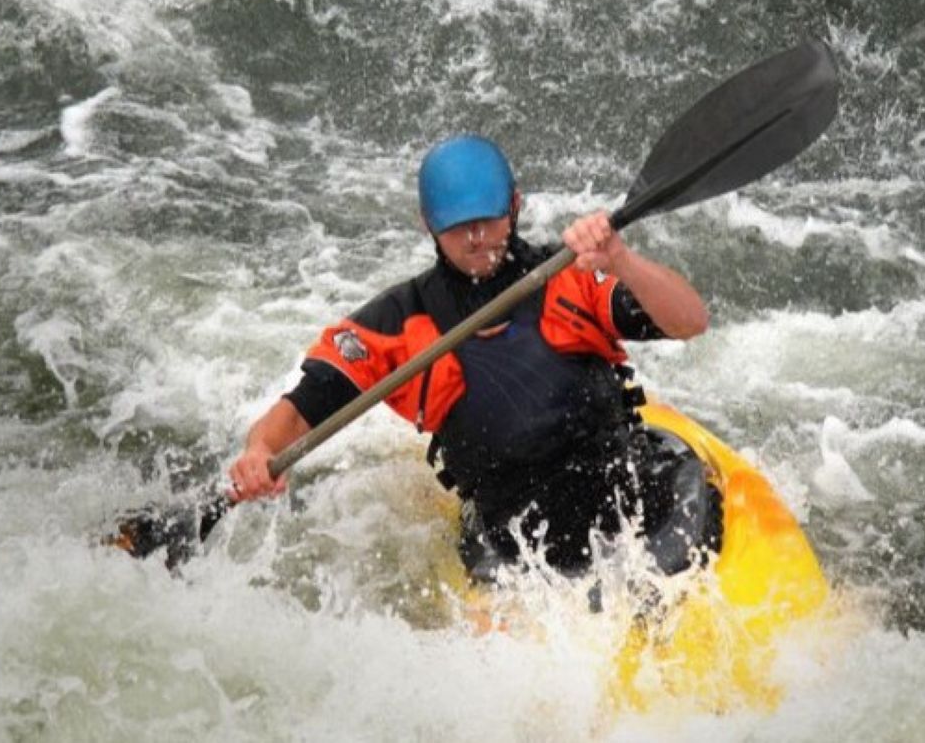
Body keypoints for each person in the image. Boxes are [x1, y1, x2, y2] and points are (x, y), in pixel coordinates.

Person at [228, 135, 721, 581]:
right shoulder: (399, 321)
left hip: (623, 482)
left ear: (515, 205)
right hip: (513, 532)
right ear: (428, 226)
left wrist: (622, 261)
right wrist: (259, 452)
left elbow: (690, 321)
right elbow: (299, 410)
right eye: (458, 227)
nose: (475, 238)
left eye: (487, 219)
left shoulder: (569, 275)